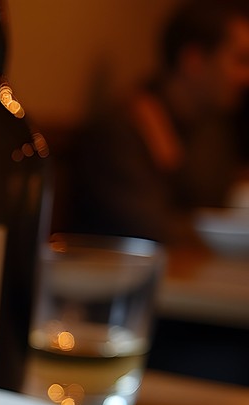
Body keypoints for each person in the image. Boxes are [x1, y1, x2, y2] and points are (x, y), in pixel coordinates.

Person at [69, 0, 249, 244]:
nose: (245, 77)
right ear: (193, 60)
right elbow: (146, 228)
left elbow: (218, 204)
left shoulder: (213, 131)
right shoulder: (121, 129)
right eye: (240, 60)